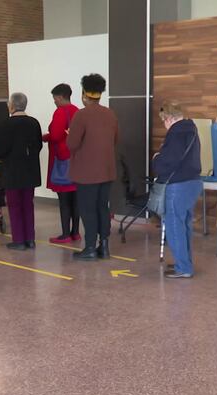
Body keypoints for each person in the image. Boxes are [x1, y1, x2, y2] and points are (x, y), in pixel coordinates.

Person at [66, 73, 119, 261]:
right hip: (107, 170)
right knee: (102, 208)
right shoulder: (110, 113)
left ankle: (89, 247)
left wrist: (70, 134)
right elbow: (115, 140)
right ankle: (104, 246)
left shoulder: (81, 115)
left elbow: (71, 144)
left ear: (84, 94)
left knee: (88, 209)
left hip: (87, 173)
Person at [152, 101, 202, 279]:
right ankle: (185, 262)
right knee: (184, 225)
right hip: (193, 183)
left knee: (174, 226)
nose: (164, 125)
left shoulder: (176, 133)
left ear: (169, 118)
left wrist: (156, 159)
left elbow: (167, 162)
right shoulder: (191, 130)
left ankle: (183, 267)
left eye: (164, 121)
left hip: (178, 185)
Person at [0, 93, 43, 250]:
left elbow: (0, 150)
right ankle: (30, 239)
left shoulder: (4, 124)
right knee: (28, 205)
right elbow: (39, 145)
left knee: (14, 206)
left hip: (13, 171)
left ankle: (19, 240)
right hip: (30, 170)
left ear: (11, 106)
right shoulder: (34, 123)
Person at [43, 83, 81, 244]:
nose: (54, 101)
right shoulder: (77, 111)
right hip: (77, 160)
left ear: (60, 97)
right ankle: (76, 233)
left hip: (62, 161)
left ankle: (65, 234)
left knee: (64, 200)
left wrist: (45, 137)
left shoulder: (60, 112)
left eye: (54, 98)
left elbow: (56, 135)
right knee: (75, 199)